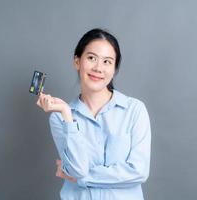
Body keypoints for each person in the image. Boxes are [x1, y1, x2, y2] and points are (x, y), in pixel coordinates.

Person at [37, 28, 151, 200]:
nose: (98, 68)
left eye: (107, 62)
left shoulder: (134, 110)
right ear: (77, 61)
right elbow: (78, 169)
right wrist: (68, 115)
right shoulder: (59, 117)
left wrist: (82, 178)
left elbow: (139, 171)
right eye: (91, 58)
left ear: (114, 69)